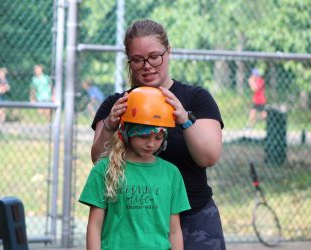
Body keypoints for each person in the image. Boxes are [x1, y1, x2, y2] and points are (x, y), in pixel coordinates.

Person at [90, 19, 225, 250]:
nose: (147, 65)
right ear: (129, 61)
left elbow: (208, 157)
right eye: (138, 59)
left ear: (168, 52)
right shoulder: (117, 104)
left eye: (154, 56)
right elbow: (99, 160)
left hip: (192, 217)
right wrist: (111, 125)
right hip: (135, 222)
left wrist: (183, 119)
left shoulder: (196, 98)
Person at [80, 86, 191, 249]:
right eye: (143, 136)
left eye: (159, 137)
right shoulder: (104, 169)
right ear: (126, 133)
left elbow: (174, 231)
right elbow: (94, 227)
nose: (151, 143)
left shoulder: (171, 173)